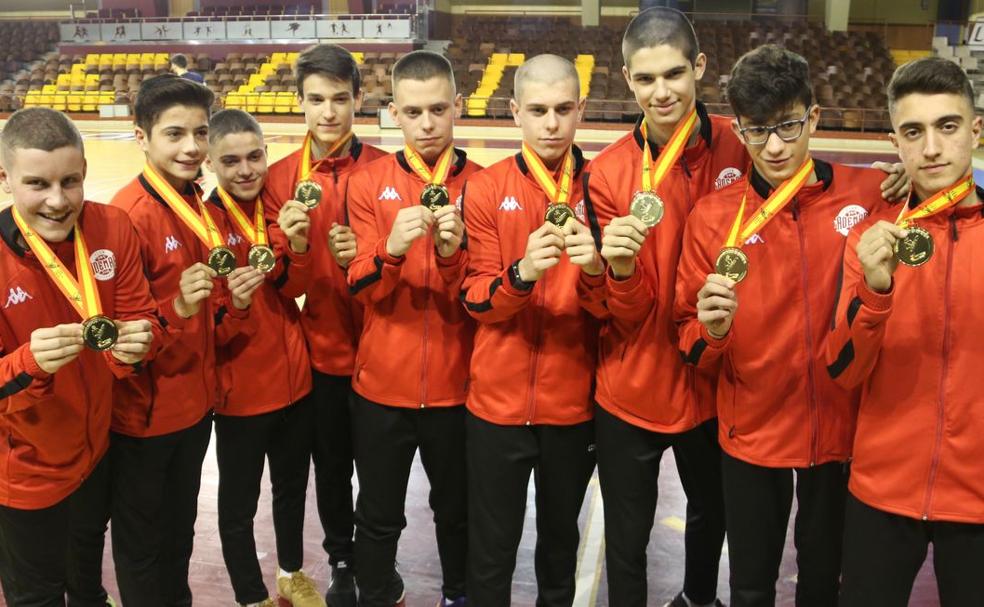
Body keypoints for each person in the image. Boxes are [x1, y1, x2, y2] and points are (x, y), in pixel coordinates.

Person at [674, 45, 894, 606]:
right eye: (757, 130)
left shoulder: (868, 194)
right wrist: (711, 332)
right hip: (752, 434)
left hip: (840, 431)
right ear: (739, 130)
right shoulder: (712, 218)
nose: (773, 146)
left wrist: (905, 178)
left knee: (822, 585)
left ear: (813, 117)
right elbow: (688, 340)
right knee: (750, 587)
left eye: (788, 126)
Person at [580, 8, 747, 606]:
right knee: (627, 538)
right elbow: (612, 310)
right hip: (632, 385)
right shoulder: (606, 174)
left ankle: (698, 599)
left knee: (713, 514)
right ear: (627, 78)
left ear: (699, 66)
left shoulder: (742, 144)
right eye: (646, 78)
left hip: (714, 381)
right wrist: (619, 272)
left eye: (674, 74)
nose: (661, 92)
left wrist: (891, 181)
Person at [827, 56, 984, 606]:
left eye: (948, 126)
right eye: (914, 132)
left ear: (976, 130)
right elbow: (844, 371)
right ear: (896, 142)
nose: (932, 148)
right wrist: (875, 291)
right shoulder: (871, 240)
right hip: (883, 489)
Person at [109, 74, 263, 606]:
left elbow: (209, 318)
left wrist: (234, 305)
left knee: (178, 537)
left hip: (195, 408)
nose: (192, 148)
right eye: (174, 134)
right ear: (142, 137)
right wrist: (176, 308)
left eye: (200, 133)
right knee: (142, 546)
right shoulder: (128, 216)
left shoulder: (197, 200)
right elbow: (120, 338)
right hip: (145, 417)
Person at [0, 107, 160, 607]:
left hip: (96, 454)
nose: (57, 200)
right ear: (5, 178)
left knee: (88, 582)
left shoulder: (111, 226)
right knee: (39, 596)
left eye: (70, 181)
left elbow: (141, 317)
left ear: (85, 170)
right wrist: (29, 363)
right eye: (37, 184)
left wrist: (138, 344)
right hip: (25, 475)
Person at [460, 54, 605, 606]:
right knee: (491, 550)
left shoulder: (604, 188)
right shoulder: (485, 187)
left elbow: (618, 308)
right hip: (496, 406)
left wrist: (598, 271)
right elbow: (476, 298)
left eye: (564, 109)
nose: (551, 124)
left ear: (581, 109)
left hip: (572, 406)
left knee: (559, 548)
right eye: (538, 110)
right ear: (515, 111)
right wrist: (520, 274)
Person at [344, 50, 480, 607]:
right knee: (378, 513)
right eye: (414, 112)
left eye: (439, 110)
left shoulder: (485, 184)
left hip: (458, 387)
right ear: (393, 113)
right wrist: (391, 250)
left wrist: (453, 256)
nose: (427, 124)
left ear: (458, 107)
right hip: (382, 387)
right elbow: (360, 286)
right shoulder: (366, 183)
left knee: (457, 510)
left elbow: (485, 296)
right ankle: (377, 594)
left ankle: (459, 595)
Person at [263, 44, 388, 606]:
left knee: (381, 472)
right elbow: (279, 284)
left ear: (359, 97)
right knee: (333, 469)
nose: (329, 112)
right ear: (300, 102)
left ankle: (379, 555)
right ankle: (342, 559)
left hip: (384, 351)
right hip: (323, 353)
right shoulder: (280, 179)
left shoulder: (386, 169)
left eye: (340, 98)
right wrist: (294, 247)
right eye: (316, 99)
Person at [205, 108, 324, 607]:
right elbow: (207, 326)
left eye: (254, 157)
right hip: (241, 394)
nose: (246, 170)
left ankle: (291, 573)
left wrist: (297, 243)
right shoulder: (203, 224)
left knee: (292, 490)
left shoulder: (276, 209)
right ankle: (251, 596)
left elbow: (293, 287)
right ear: (210, 163)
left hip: (295, 383)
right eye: (230, 161)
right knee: (238, 505)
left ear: (266, 154)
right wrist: (232, 304)